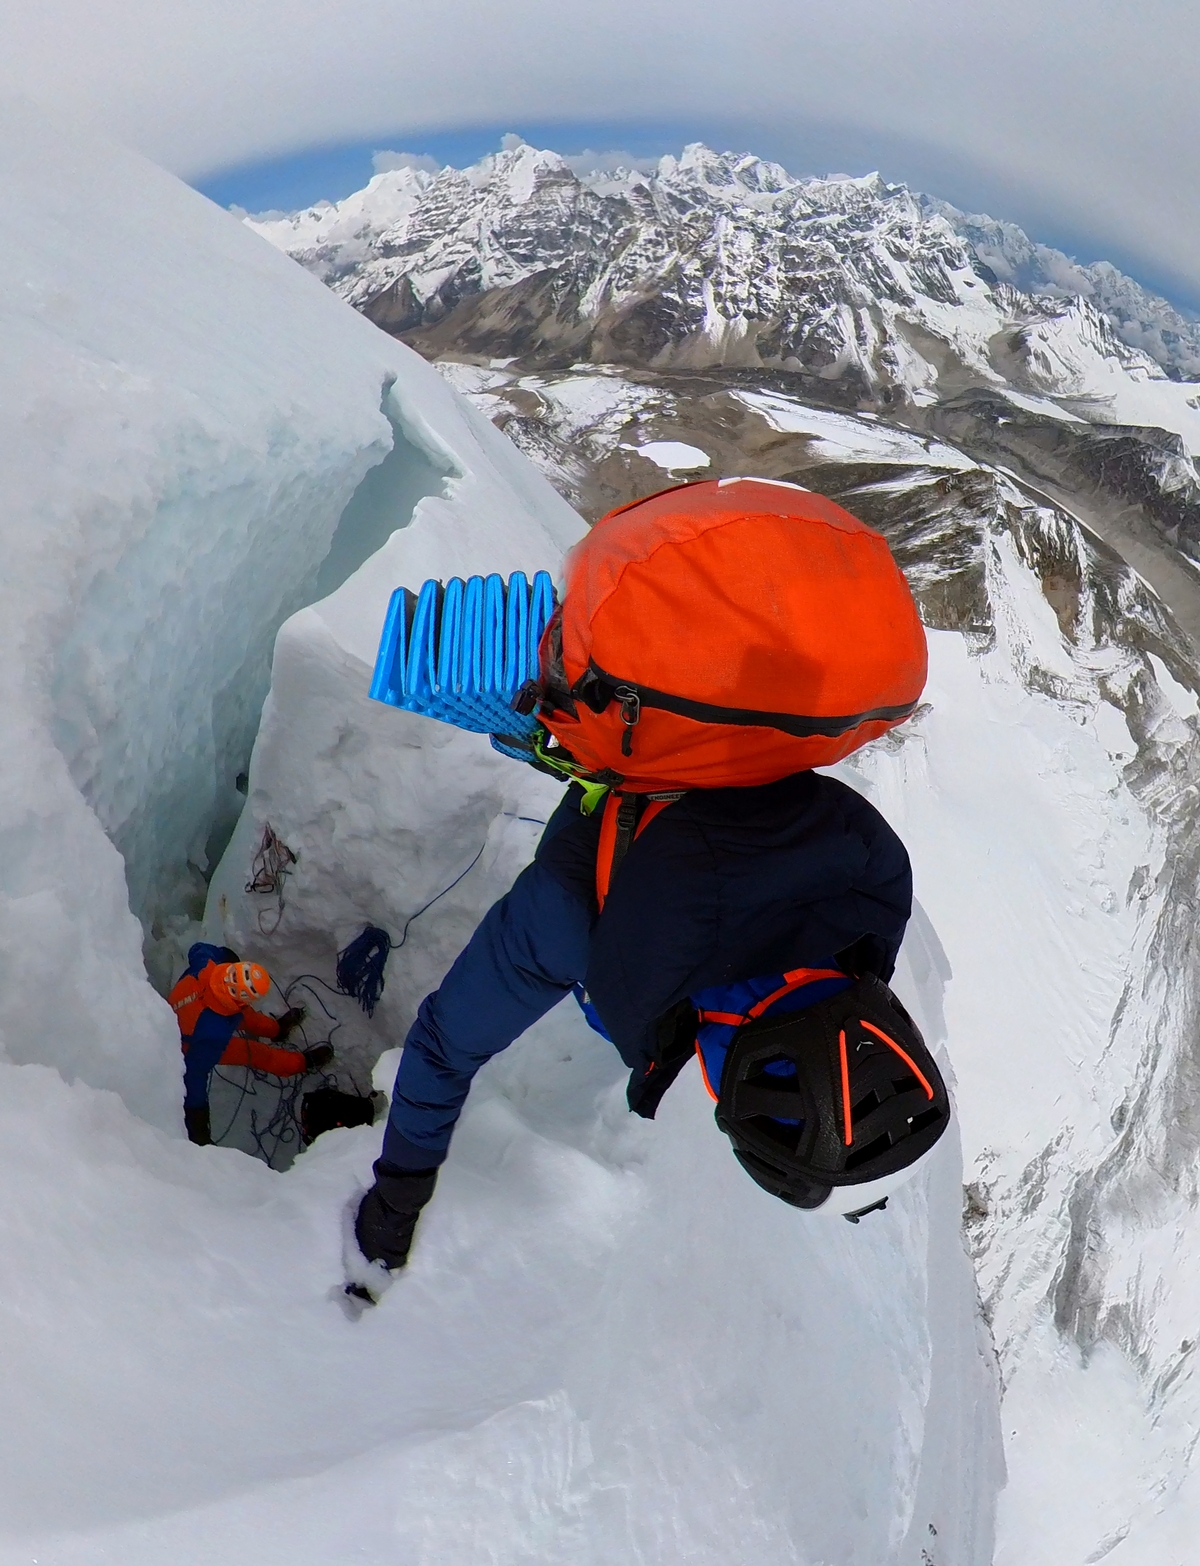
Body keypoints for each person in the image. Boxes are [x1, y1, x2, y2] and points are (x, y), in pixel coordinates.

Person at [353, 479, 938, 1282]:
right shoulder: (572, 919)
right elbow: (444, 1046)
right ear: (720, 1085)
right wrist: (400, 1191)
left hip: (711, 740)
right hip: (621, 809)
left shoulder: (868, 893)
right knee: (590, 785)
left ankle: (593, 715)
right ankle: (575, 722)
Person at [169, 943, 332, 1144]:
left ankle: (277, 1030)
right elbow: (195, 1072)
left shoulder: (206, 964)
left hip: (206, 1010)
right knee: (257, 1053)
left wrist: (222, 954)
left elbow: (198, 948)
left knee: (250, 1018)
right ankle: (301, 1063)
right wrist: (198, 1119)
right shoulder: (214, 1033)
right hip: (190, 1043)